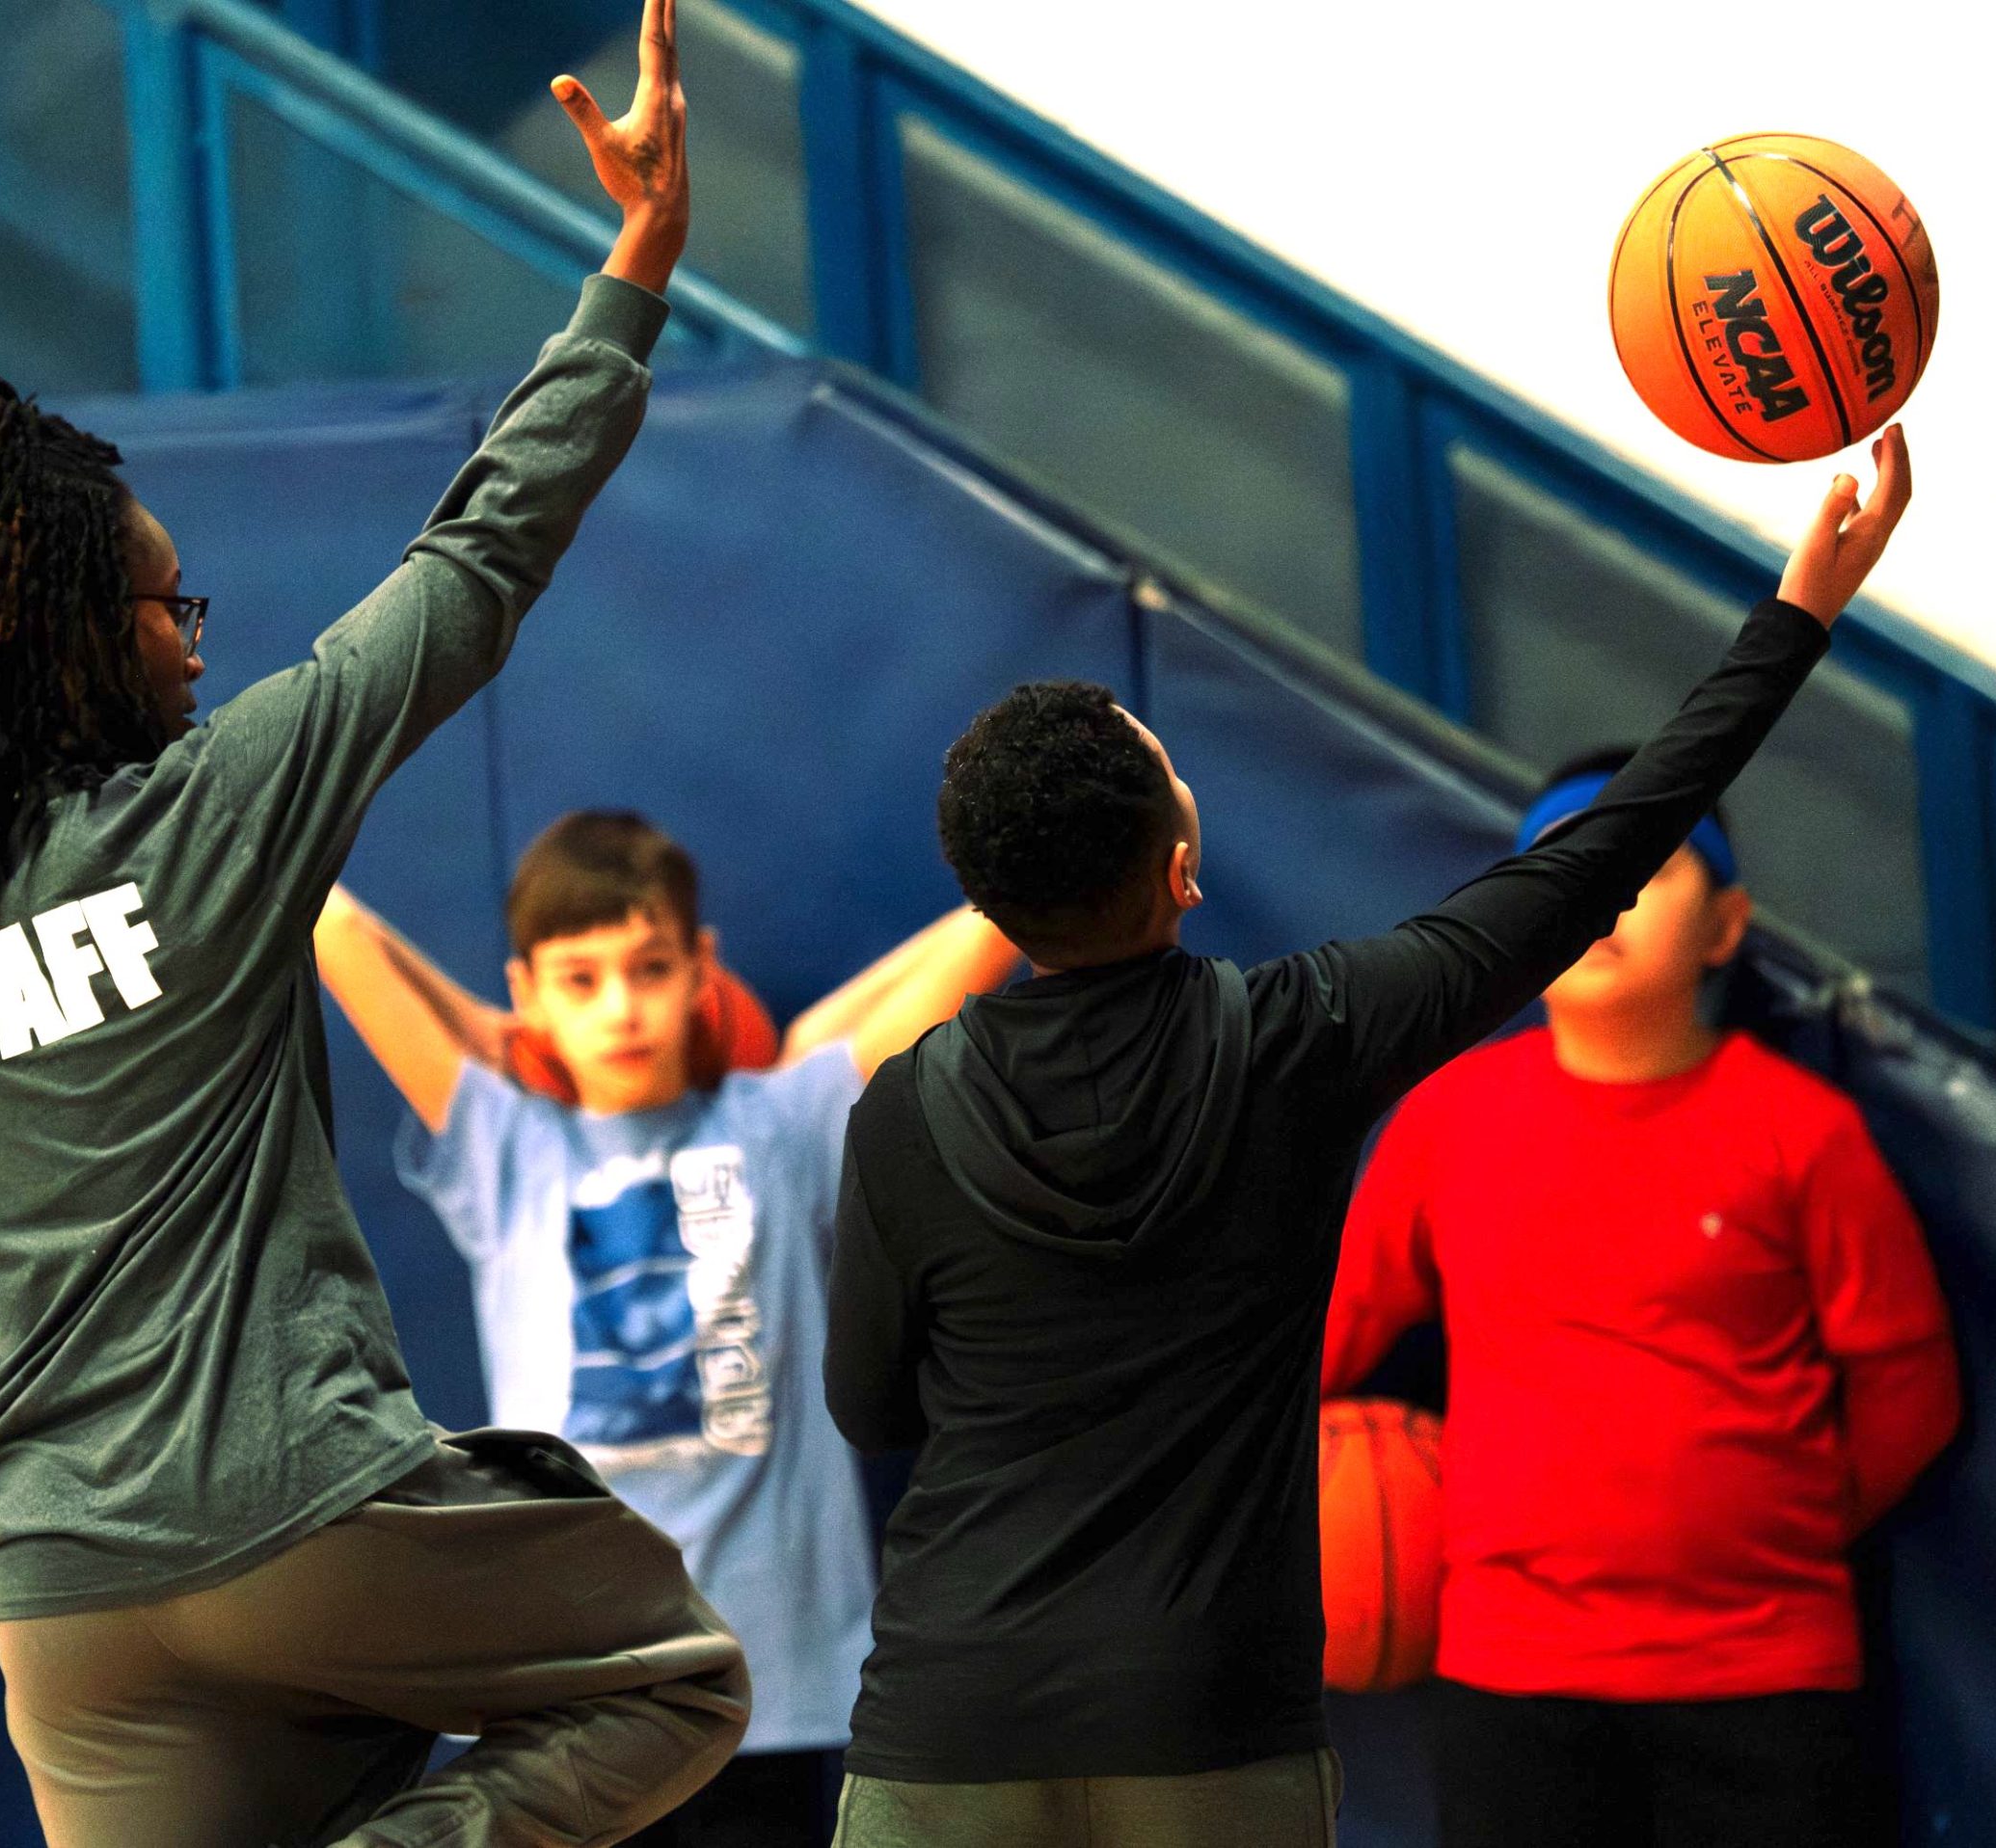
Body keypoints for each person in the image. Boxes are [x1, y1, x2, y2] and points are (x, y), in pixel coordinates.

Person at [0, 10, 743, 1844]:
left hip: (65, 1618)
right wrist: (633, 268)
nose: (194, 637)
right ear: (83, 626)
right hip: (302, 1520)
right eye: (172, 604)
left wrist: (60, 1512)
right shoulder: (197, 817)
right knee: (683, 1677)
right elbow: (475, 561)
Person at [819, 429, 1913, 1848]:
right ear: (1182, 864)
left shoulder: (906, 1105)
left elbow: (875, 1409)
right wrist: (1798, 616)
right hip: (1207, 1725)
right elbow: (1595, 857)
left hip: (946, 1723)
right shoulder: (1300, 1041)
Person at [316, 814, 1022, 1847]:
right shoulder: (502, 1145)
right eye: (581, 980)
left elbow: (986, 943)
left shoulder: (779, 1125)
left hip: (763, 1687)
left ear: (701, 969)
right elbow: (330, 926)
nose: (621, 1007)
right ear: (527, 997)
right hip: (576, 1689)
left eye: (650, 968)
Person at [1321, 748, 1959, 1848]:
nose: (1602, 895)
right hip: (1509, 1677)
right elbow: (1318, 1338)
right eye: (1569, 865)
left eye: (1648, 868)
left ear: (1724, 925)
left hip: (1765, 1678)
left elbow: (1911, 1392)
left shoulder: (1801, 1133)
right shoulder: (1447, 1119)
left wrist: (1769, 1528)